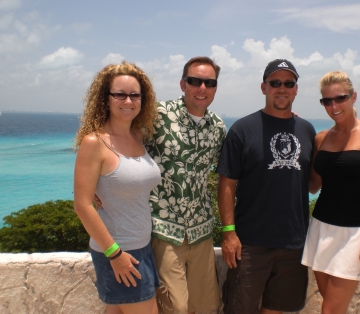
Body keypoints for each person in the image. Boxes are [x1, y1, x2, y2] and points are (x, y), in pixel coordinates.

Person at [217, 59, 316, 314]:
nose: (281, 88)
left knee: (276, 309)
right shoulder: (242, 129)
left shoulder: (306, 129)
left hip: (293, 243)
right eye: (275, 83)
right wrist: (229, 232)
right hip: (250, 243)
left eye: (288, 83)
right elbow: (227, 183)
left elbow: (314, 183)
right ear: (264, 88)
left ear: (296, 89)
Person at [301, 71, 360, 314]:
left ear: (354, 97)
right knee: (330, 304)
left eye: (340, 98)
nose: (334, 106)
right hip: (321, 228)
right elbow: (312, 185)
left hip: (356, 233)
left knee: (330, 310)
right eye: (327, 101)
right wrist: (294, 132)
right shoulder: (321, 138)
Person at [74, 61, 160, 314]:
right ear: (106, 98)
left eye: (135, 95)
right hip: (119, 251)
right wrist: (115, 255)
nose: (128, 101)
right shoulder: (95, 142)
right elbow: (82, 204)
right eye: (119, 94)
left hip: (141, 246)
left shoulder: (138, 136)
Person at [146, 56, 226, 314]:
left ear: (215, 87)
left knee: (206, 306)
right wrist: (101, 185)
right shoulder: (157, 115)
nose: (202, 88)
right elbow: (120, 143)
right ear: (183, 84)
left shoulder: (217, 127)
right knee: (175, 308)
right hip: (164, 230)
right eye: (195, 81)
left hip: (202, 230)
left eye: (209, 83)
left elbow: (231, 172)